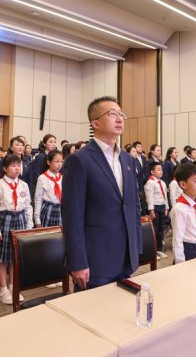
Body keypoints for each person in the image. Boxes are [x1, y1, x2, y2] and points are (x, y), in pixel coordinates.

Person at [62, 96, 141, 291]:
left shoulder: (128, 160)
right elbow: (72, 216)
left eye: (121, 114)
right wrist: (78, 262)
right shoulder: (79, 160)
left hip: (125, 255)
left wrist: (136, 248)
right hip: (96, 258)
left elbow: (134, 206)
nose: (119, 118)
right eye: (112, 114)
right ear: (95, 123)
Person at [0, 154, 33, 305]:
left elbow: (28, 206)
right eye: (13, 166)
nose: (17, 168)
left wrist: (29, 226)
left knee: (15, 257)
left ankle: (13, 287)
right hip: (4, 220)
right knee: (3, 258)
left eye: (18, 165)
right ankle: (3, 289)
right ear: (5, 168)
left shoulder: (24, 185)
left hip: (19, 219)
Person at [171, 163, 196, 263]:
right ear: (183, 185)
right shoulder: (179, 209)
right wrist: (180, 264)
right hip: (190, 250)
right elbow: (177, 240)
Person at [144, 161, 169, 260]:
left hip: (162, 207)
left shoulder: (162, 182)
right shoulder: (150, 183)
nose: (161, 171)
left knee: (160, 230)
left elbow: (165, 196)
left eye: (161, 170)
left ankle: (159, 249)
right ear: (152, 172)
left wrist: (166, 207)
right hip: (155, 208)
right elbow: (149, 198)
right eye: (158, 170)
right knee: (154, 230)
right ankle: (153, 251)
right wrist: (151, 210)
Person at [34, 149, 63, 227]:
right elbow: (38, 199)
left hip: (61, 210)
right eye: (57, 161)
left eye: (61, 161)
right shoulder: (42, 178)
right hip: (48, 209)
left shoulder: (63, 178)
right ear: (49, 162)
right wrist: (37, 219)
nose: (59, 164)